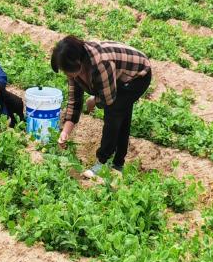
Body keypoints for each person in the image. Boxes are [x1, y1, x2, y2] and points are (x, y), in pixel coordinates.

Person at [52, 36, 152, 180]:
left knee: (115, 113)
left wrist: (93, 100)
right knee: (121, 115)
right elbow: (74, 100)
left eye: (68, 71)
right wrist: (65, 132)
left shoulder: (100, 63)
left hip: (138, 75)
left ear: (78, 62)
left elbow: (108, 100)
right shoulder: (73, 65)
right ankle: (118, 165)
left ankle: (103, 162)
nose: (68, 75)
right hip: (118, 76)